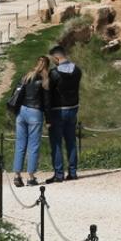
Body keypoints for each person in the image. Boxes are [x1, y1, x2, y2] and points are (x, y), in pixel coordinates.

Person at [12, 57, 50, 187]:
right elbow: (46, 102)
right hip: (35, 112)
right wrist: (48, 119)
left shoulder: (27, 76)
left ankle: (17, 176)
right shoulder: (44, 80)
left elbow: (18, 93)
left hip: (22, 111)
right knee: (33, 146)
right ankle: (31, 177)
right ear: (47, 66)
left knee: (20, 144)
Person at [46, 45, 82, 183]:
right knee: (71, 141)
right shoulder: (77, 70)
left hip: (58, 110)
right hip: (73, 108)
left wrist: (47, 114)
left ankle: (59, 174)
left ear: (56, 57)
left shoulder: (54, 73)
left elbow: (49, 94)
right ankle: (72, 172)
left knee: (56, 143)